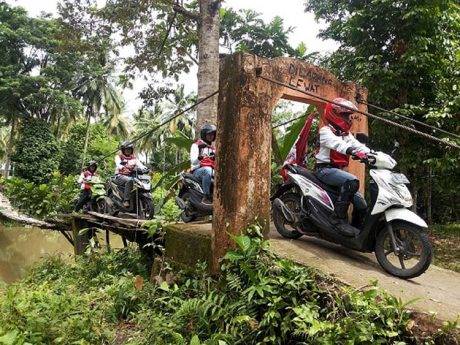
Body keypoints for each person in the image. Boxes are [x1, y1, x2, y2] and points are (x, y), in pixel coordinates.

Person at [315, 98, 370, 222]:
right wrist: (351, 150)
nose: (349, 118)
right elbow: (337, 144)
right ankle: (337, 219)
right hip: (324, 170)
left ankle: (357, 231)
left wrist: (373, 154)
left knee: (361, 203)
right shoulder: (326, 131)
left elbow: (357, 145)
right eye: (345, 115)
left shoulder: (345, 134)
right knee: (352, 181)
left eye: (349, 115)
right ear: (334, 114)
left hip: (337, 172)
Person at [115, 141, 147, 208]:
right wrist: (122, 167)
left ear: (131, 150)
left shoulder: (134, 158)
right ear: (123, 150)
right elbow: (118, 164)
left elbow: (140, 165)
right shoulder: (119, 157)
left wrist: (145, 168)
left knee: (141, 183)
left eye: (129, 149)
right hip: (120, 176)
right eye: (126, 149)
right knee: (130, 181)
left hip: (131, 176)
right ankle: (126, 200)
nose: (128, 151)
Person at [190, 124, 216, 204]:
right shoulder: (196, 146)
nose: (211, 136)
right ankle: (206, 196)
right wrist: (199, 157)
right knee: (207, 170)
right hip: (197, 171)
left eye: (213, 134)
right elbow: (193, 161)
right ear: (204, 134)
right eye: (209, 134)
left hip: (212, 170)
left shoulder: (213, 149)